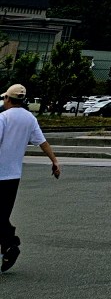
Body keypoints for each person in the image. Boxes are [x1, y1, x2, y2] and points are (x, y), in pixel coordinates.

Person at [0, 83, 61, 272]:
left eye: (4, 98)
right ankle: (9, 246)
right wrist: (55, 161)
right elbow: (42, 142)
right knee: (2, 215)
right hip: (13, 176)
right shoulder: (29, 119)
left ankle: (10, 243)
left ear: (8, 99)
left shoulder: (3, 118)